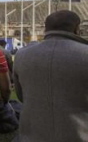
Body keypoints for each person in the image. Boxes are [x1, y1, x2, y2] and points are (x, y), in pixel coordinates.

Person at [13, 10, 88, 142]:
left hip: (30, 136)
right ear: (77, 29)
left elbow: (21, 96)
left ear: (45, 29)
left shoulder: (21, 55)